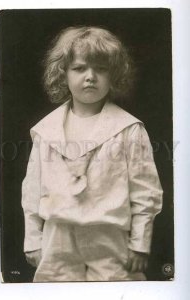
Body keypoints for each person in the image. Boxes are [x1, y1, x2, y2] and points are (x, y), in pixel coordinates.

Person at [21, 26, 163, 282]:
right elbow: (32, 190)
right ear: (63, 74)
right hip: (58, 240)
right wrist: (33, 238)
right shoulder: (46, 130)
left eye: (100, 69)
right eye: (79, 68)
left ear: (114, 75)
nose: (90, 77)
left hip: (109, 238)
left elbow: (145, 192)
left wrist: (140, 242)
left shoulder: (128, 129)